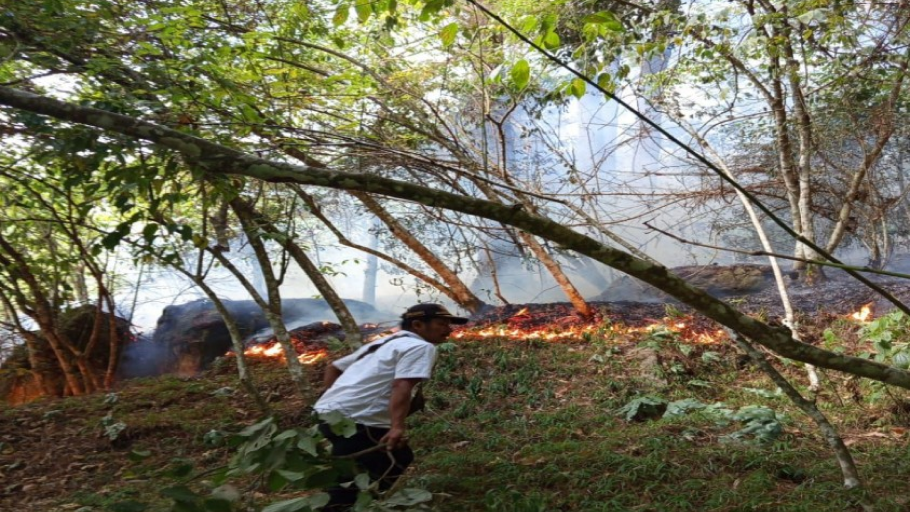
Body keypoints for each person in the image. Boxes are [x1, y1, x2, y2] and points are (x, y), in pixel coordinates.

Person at [314, 303, 468, 510]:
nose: (448, 329)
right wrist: (396, 426)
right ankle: (352, 505)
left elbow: (333, 367)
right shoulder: (420, 347)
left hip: (330, 416)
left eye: (449, 324)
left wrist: (334, 402)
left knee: (393, 458)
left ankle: (357, 503)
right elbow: (402, 384)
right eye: (441, 323)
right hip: (360, 419)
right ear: (417, 325)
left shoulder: (386, 342)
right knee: (357, 479)